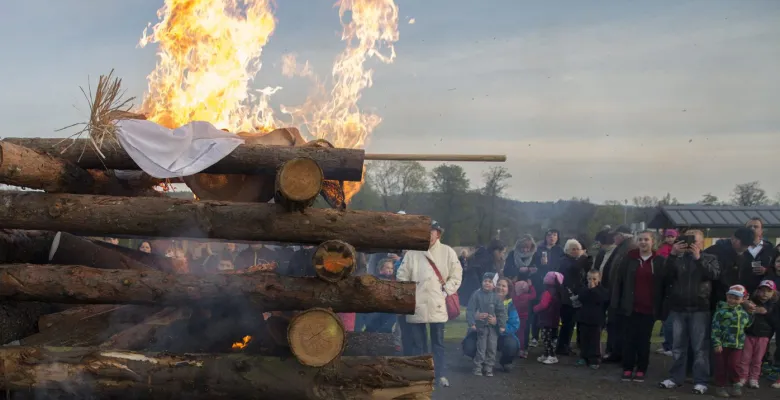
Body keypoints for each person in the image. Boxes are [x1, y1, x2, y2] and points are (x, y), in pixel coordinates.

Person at [396, 221, 462, 388]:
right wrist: (410, 293)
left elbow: (456, 275)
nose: (429, 235)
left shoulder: (447, 251)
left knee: (438, 342)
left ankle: (440, 374)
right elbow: (401, 275)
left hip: (437, 302)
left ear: (438, 234)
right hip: (417, 303)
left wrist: (445, 291)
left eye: (432, 232)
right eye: (426, 232)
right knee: (418, 343)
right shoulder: (412, 253)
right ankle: (420, 375)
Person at [658, 229, 720, 395]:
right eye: (687, 240)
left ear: (702, 242)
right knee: (678, 346)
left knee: (700, 348)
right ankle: (675, 378)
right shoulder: (677, 259)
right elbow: (665, 276)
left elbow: (713, 275)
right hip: (679, 308)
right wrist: (672, 255)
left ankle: (701, 381)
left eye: (694, 241)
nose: (690, 244)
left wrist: (699, 258)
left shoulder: (710, 258)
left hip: (700, 308)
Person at [612, 230, 665, 383]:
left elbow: (664, 285)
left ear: (652, 242)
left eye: (646, 239)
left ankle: (642, 368)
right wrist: (616, 303)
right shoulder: (629, 259)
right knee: (629, 339)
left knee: (644, 340)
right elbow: (619, 281)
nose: (643, 242)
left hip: (649, 308)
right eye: (640, 239)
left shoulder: (659, 261)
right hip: (630, 307)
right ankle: (627, 367)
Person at [602, 225, 636, 363]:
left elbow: (626, 277)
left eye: (615, 235)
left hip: (621, 296)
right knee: (614, 325)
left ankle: (618, 353)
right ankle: (613, 351)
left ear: (622, 235)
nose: (613, 238)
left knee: (619, 326)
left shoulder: (629, 249)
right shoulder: (621, 248)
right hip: (614, 293)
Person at [711, 285, 751, 398]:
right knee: (721, 366)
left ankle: (735, 384)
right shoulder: (721, 312)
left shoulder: (743, 313)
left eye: (736, 298)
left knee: (734, 365)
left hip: (737, 345)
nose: (732, 300)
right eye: (730, 297)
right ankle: (720, 386)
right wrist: (717, 343)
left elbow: (747, 325)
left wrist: (751, 313)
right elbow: (715, 328)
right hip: (722, 345)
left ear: (743, 299)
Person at [464, 273, 508, 376]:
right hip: (481, 327)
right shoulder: (476, 295)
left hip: (493, 328)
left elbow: (501, 312)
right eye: (485, 281)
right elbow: (470, 309)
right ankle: (478, 367)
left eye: (490, 282)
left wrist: (501, 325)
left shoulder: (496, 297)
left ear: (494, 284)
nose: (487, 283)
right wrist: (472, 323)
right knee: (481, 347)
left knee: (492, 348)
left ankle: (489, 367)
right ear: (482, 282)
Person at [738, 280, 776, 389]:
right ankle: (742, 377)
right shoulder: (751, 301)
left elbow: (773, 319)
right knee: (745, 358)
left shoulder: (774, 305)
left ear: (773, 293)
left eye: (768, 291)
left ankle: (754, 378)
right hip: (749, 334)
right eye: (762, 290)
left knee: (758, 359)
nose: (765, 293)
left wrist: (765, 312)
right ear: (757, 291)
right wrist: (747, 305)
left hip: (764, 336)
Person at [528, 229, 563, 347]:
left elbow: (561, 267)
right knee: (538, 309)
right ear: (545, 237)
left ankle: (554, 337)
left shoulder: (560, 250)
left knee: (554, 311)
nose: (552, 237)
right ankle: (535, 337)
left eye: (554, 235)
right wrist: (540, 264)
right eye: (549, 235)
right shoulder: (538, 250)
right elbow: (532, 266)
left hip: (554, 285)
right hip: (540, 284)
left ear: (557, 237)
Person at [705, 227, 755, 307]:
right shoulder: (715, 251)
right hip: (716, 299)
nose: (744, 247)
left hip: (739, 299)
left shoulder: (748, 257)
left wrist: (744, 297)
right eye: (743, 243)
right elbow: (718, 277)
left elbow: (749, 279)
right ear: (733, 238)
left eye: (747, 245)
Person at [557, 239, 590, 356]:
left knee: (570, 323)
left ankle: (564, 345)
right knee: (568, 323)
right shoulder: (564, 261)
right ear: (567, 250)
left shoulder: (571, 261)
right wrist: (583, 258)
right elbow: (573, 270)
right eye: (573, 249)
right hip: (566, 297)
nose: (576, 251)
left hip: (572, 296)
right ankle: (562, 347)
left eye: (577, 249)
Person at [575, 270, 609, 369]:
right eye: (589, 278)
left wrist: (593, 289)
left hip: (596, 320)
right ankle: (583, 357)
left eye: (594, 279)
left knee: (594, 340)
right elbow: (581, 297)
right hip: (584, 318)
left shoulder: (602, 291)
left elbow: (603, 299)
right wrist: (588, 289)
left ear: (599, 279)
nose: (591, 281)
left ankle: (594, 359)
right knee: (584, 339)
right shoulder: (584, 289)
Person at [533, 271, 563, 365]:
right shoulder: (557, 292)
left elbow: (543, 304)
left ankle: (552, 356)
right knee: (548, 337)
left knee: (546, 338)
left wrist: (535, 308)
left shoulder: (547, 292)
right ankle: (546, 354)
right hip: (553, 318)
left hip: (546, 319)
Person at [743, 218, 777, 293]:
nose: (752, 228)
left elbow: (776, 268)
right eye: (749, 227)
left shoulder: (770, 248)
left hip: (764, 291)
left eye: (755, 226)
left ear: (761, 231)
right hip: (742, 290)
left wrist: (766, 270)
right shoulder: (739, 247)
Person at [512, 279, 536, 358]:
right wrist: (531, 286)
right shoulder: (527, 296)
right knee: (522, 333)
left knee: (515, 333)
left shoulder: (514, 297)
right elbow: (534, 295)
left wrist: (513, 283)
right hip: (524, 318)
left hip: (515, 317)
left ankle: (515, 348)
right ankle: (521, 350)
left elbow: (512, 291)